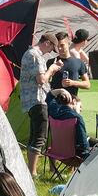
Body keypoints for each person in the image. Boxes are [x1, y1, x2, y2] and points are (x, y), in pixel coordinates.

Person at [20, 32, 60, 175]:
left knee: (35, 135)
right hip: (37, 99)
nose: (50, 52)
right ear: (47, 43)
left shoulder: (31, 54)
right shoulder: (35, 55)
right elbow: (42, 80)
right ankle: (32, 172)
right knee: (39, 136)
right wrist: (52, 69)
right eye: (51, 48)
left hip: (32, 100)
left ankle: (30, 170)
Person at [46, 89, 92, 159]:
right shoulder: (77, 118)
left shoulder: (53, 112)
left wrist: (61, 90)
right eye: (80, 106)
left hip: (56, 152)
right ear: (74, 102)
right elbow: (83, 146)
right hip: (74, 155)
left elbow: (49, 96)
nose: (81, 110)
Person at [47, 32, 90, 97]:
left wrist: (72, 83)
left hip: (71, 103)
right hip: (54, 102)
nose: (59, 48)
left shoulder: (79, 62)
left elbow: (87, 84)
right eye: (57, 46)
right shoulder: (51, 62)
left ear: (68, 43)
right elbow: (44, 82)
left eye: (62, 45)